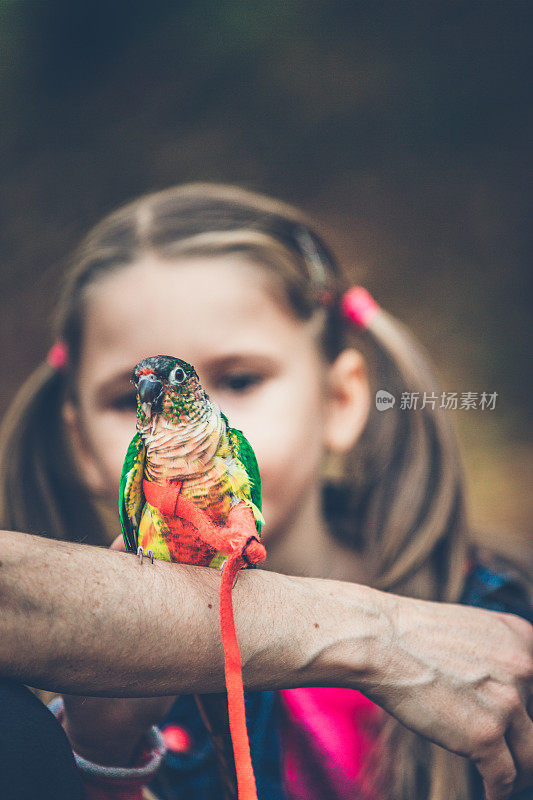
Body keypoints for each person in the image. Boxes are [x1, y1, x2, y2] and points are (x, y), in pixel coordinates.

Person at [0, 183, 531, 800]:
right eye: (126, 398)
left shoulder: (495, 617)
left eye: (243, 378)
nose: (191, 421)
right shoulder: (99, 697)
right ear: (82, 446)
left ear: (340, 399)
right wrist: (102, 756)